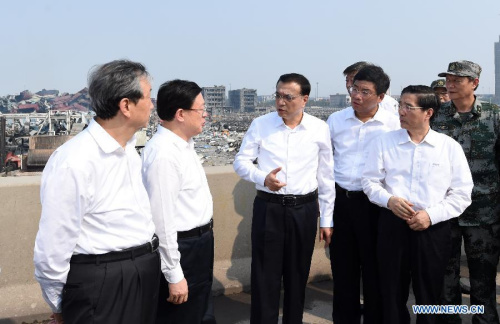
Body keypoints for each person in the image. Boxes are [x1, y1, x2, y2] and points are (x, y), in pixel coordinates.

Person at [33, 60, 160, 324]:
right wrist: (60, 303)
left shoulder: (128, 151)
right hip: (102, 282)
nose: (152, 104)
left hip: (142, 271)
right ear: (126, 105)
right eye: (148, 97)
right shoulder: (74, 160)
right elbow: (53, 245)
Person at [362, 85, 473, 324]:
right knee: (391, 291)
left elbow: (462, 193)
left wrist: (430, 216)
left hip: (432, 229)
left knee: (430, 293)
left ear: (428, 112)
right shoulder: (385, 143)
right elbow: (370, 182)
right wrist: (389, 200)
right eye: (400, 105)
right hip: (392, 225)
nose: (400, 111)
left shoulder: (448, 147)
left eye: (408, 107)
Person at [233, 73, 335, 324]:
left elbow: (326, 176)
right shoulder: (261, 124)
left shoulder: (319, 128)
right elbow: (240, 162)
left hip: (305, 209)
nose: (280, 102)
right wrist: (262, 177)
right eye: (277, 95)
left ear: (304, 99)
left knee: (298, 275)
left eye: (288, 97)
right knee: (265, 276)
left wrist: (327, 219)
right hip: (270, 208)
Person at [327, 65, 400, 323]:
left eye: (365, 91)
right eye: (354, 89)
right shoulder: (336, 120)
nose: (356, 96)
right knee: (343, 270)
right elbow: (324, 164)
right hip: (342, 203)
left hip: (375, 206)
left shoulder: (393, 124)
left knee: (375, 271)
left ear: (381, 97)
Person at [142, 79, 216, 324]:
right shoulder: (163, 154)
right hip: (183, 247)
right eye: (201, 109)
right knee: (181, 316)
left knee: (199, 312)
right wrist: (174, 273)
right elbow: (161, 220)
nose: (206, 114)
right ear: (181, 114)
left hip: (199, 243)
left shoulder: (184, 146)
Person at [432, 60, 500, 324]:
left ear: (474, 83)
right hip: (444, 211)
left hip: (484, 212)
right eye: (448, 79)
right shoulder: (436, 115)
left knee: (483, 281)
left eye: (457, 80)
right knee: (444, 280)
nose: (450, 84)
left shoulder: (494, 116)